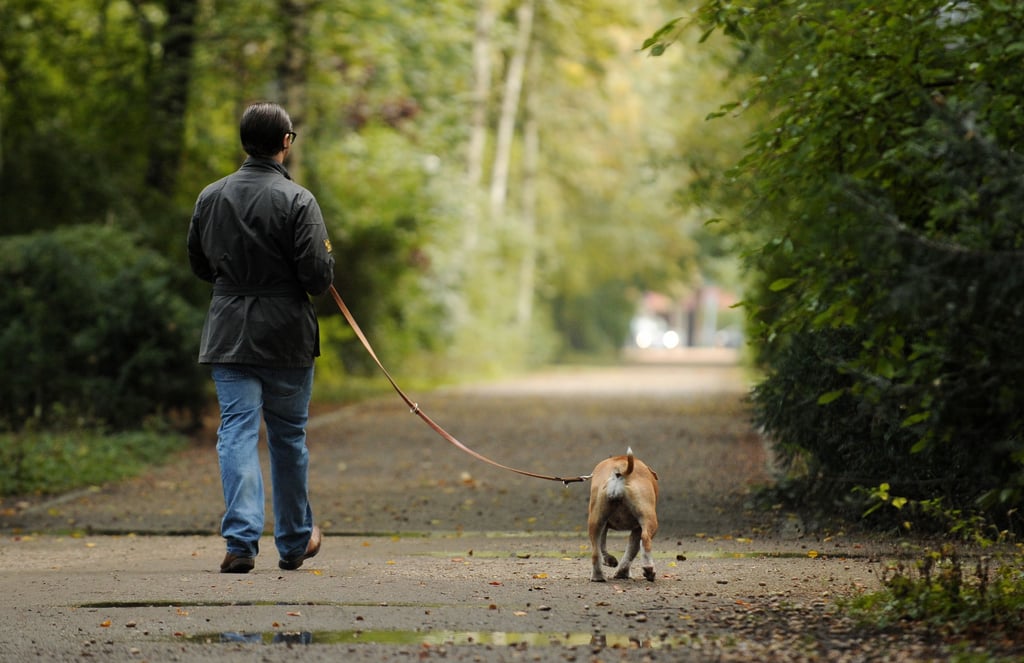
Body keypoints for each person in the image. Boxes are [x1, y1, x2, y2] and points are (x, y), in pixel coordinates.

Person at [187, 102, 335, 574]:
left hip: (229, 329)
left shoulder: (211, 196)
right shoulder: (299, 200)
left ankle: (240, 542)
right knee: (288, 437)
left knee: (236, 431)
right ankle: (293, 543)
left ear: (244, 142)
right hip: (286, 333)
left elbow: (199, 263)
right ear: (286, 142)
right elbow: (317, 277)